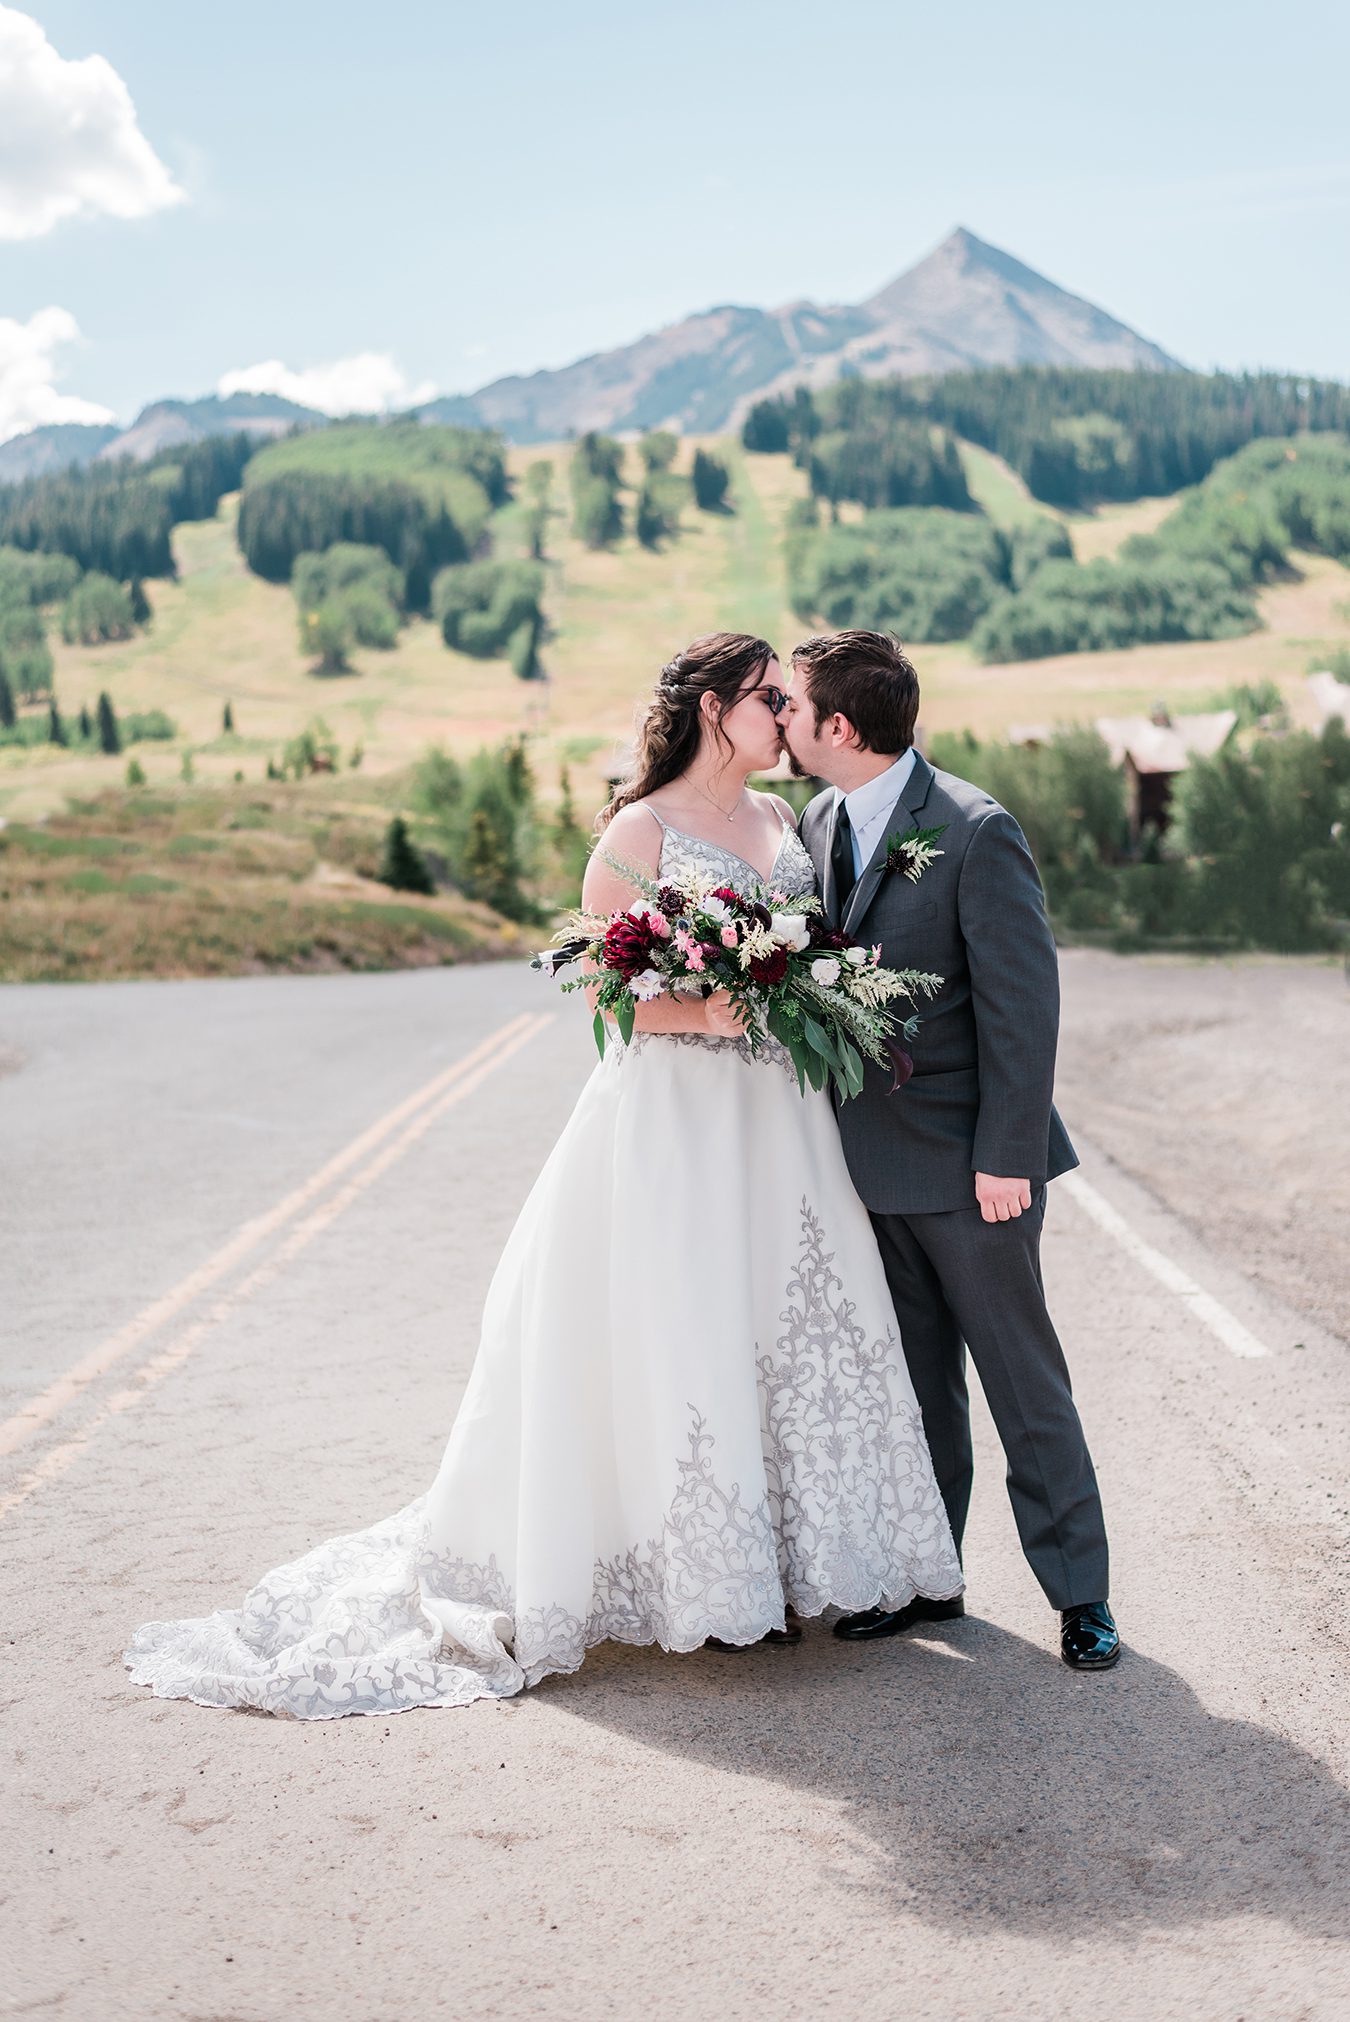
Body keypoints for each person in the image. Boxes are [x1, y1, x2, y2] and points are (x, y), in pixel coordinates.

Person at [125, 632, 961, 1719]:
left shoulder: (780, 822)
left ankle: (801, 1568)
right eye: (768, 698)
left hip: (785, 1122)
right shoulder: (637, 829)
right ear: (716, 708)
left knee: (790, 1325)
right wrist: (699, 1007)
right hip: (675, 1119)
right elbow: (600, 987)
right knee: (685, 1328)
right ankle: (702, 1581)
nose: (785, 717)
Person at [780, 629, 1120, 1671]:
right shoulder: (819, 820)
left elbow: (1025, 1010)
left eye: (792, 708)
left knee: (1023, 1384)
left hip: (978, 1174)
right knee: (917, 1393)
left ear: (839, 726)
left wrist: (1008, 1157)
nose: (783, 722)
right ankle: (933, 1578)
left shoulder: (976, 830)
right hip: (866, 1167)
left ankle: (1080, 1598)